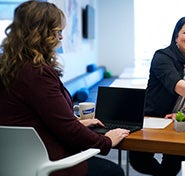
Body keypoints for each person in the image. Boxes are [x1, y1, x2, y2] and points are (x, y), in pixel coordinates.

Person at [0, 1, 130, 176]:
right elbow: (70, 133)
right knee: (113, 172)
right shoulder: (37, 73)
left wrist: (73, 121)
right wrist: (106, 140)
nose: (61, 37)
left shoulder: (9, 67)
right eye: (58, 32)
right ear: (40, 34)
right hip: (46, 162)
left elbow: (28, 117)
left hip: (13, 163)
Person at [129, 16, 185, 176]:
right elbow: (176, 85)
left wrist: (184, 115)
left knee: (173, 166)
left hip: (180, 121)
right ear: (176, 37)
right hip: (153, 119)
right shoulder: (162, 57)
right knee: (139, 161)